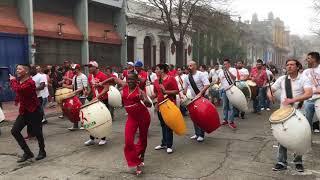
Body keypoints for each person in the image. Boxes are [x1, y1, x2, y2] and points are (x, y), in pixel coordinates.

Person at [99, 72, 152, 175]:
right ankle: (136, 161)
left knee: (143, 139)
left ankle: (141, 158)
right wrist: (101, 83)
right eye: (128, 79)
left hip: (143, 117)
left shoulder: (140, 91)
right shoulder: (125, 85)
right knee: (128, 141)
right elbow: (114, 79)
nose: (130, 81)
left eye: (132, 79)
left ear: (136, 81)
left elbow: (149, 104)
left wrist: (145, 101)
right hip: (132, 118)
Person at [267, 59, 312, 172]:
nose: (289, 67)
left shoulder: (304, 78)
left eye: (292, 65)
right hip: (284, 112)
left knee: (299, 137)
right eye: (287, 65)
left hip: (299, 111)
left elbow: (309, 93)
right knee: (282, 136)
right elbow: (271, 89)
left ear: (297, 67)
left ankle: (298, 162)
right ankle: (281, 161)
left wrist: (293, 99)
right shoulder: (282, 79)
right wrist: (269, 94)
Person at [10, 64, 46, 162]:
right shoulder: (19, 81)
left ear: (26, 71)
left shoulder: (30, 82)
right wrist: (17, 100)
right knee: (14, 131)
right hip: (24, 111)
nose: (17, 70)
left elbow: (19, 89)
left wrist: (12, 80)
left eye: (19, 69)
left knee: (37, 132)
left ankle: (42, 151)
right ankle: (28, 153)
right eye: (16, 68)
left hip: (34, 111)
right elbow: (19, 92)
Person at [152, 64, 179, 154]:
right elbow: (156, 93)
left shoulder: (170, 79)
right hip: (160, 105)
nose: (155, 71)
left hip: (169, 105)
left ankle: (169, 145)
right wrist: (152, 98)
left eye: (157, 69)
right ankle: (163, 143)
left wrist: (165, 91)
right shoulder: (155, 81)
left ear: (162, 70)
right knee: (163, 124)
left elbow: (176, 91)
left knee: (168, 125)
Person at [84, 61, 111, 146]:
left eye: (90, 67)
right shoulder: (90, 77)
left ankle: (103, 138)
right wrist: (87, 93)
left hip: (103, 100)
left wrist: (98, 96)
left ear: (95, 67)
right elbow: (90, 89)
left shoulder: (102, 75)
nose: (89, 69)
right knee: (93, 119)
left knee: (102, 119)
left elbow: (106, 88)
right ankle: (92, 138)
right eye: (88, 67)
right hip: (95, 100)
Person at [183, 61, 210, 142]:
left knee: (201, 117)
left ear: (195, 66)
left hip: (202, 97)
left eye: (190, 65)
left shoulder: (200, 74)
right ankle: (197, 133)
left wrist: (200, 93)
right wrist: (184, 92)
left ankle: (201, 134)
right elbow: (185, 88)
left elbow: (207, 84)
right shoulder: (187, 77)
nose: (189, 67)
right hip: (193, 99)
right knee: (194, 117)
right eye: (188, 66)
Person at [63, 64, 88, 131]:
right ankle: (75, 125)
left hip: (82, 96)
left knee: (82, 111)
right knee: (74, 111)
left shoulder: (83, 76)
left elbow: (84, 87)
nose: (73, 70)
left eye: (74, 69)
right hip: (75, 96)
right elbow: (72, 86)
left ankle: (83, 124)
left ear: (78, 69)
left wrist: (75, 92)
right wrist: (65, 86)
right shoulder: (74, 77)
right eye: (72, 69)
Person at [302, 52, 320, 133]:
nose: (307, 60)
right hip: (308, 100)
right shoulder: (306, 72)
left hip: (319, 99)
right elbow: (301, 85)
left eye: (308, 58)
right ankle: (307, 140)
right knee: (307, 122)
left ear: (314, 59)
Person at [218, 59, 237, 129]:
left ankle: (231, 121)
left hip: (231, 90)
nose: (225, 65)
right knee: (225, 106)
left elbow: (234, 78)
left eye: (226, 64)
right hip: (224, 90)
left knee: (231, 106)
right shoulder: (221, 72)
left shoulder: (233, 69)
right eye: (224, 64)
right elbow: (220, 81)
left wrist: (228, 71)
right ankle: (225, 119)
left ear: (229, 64)